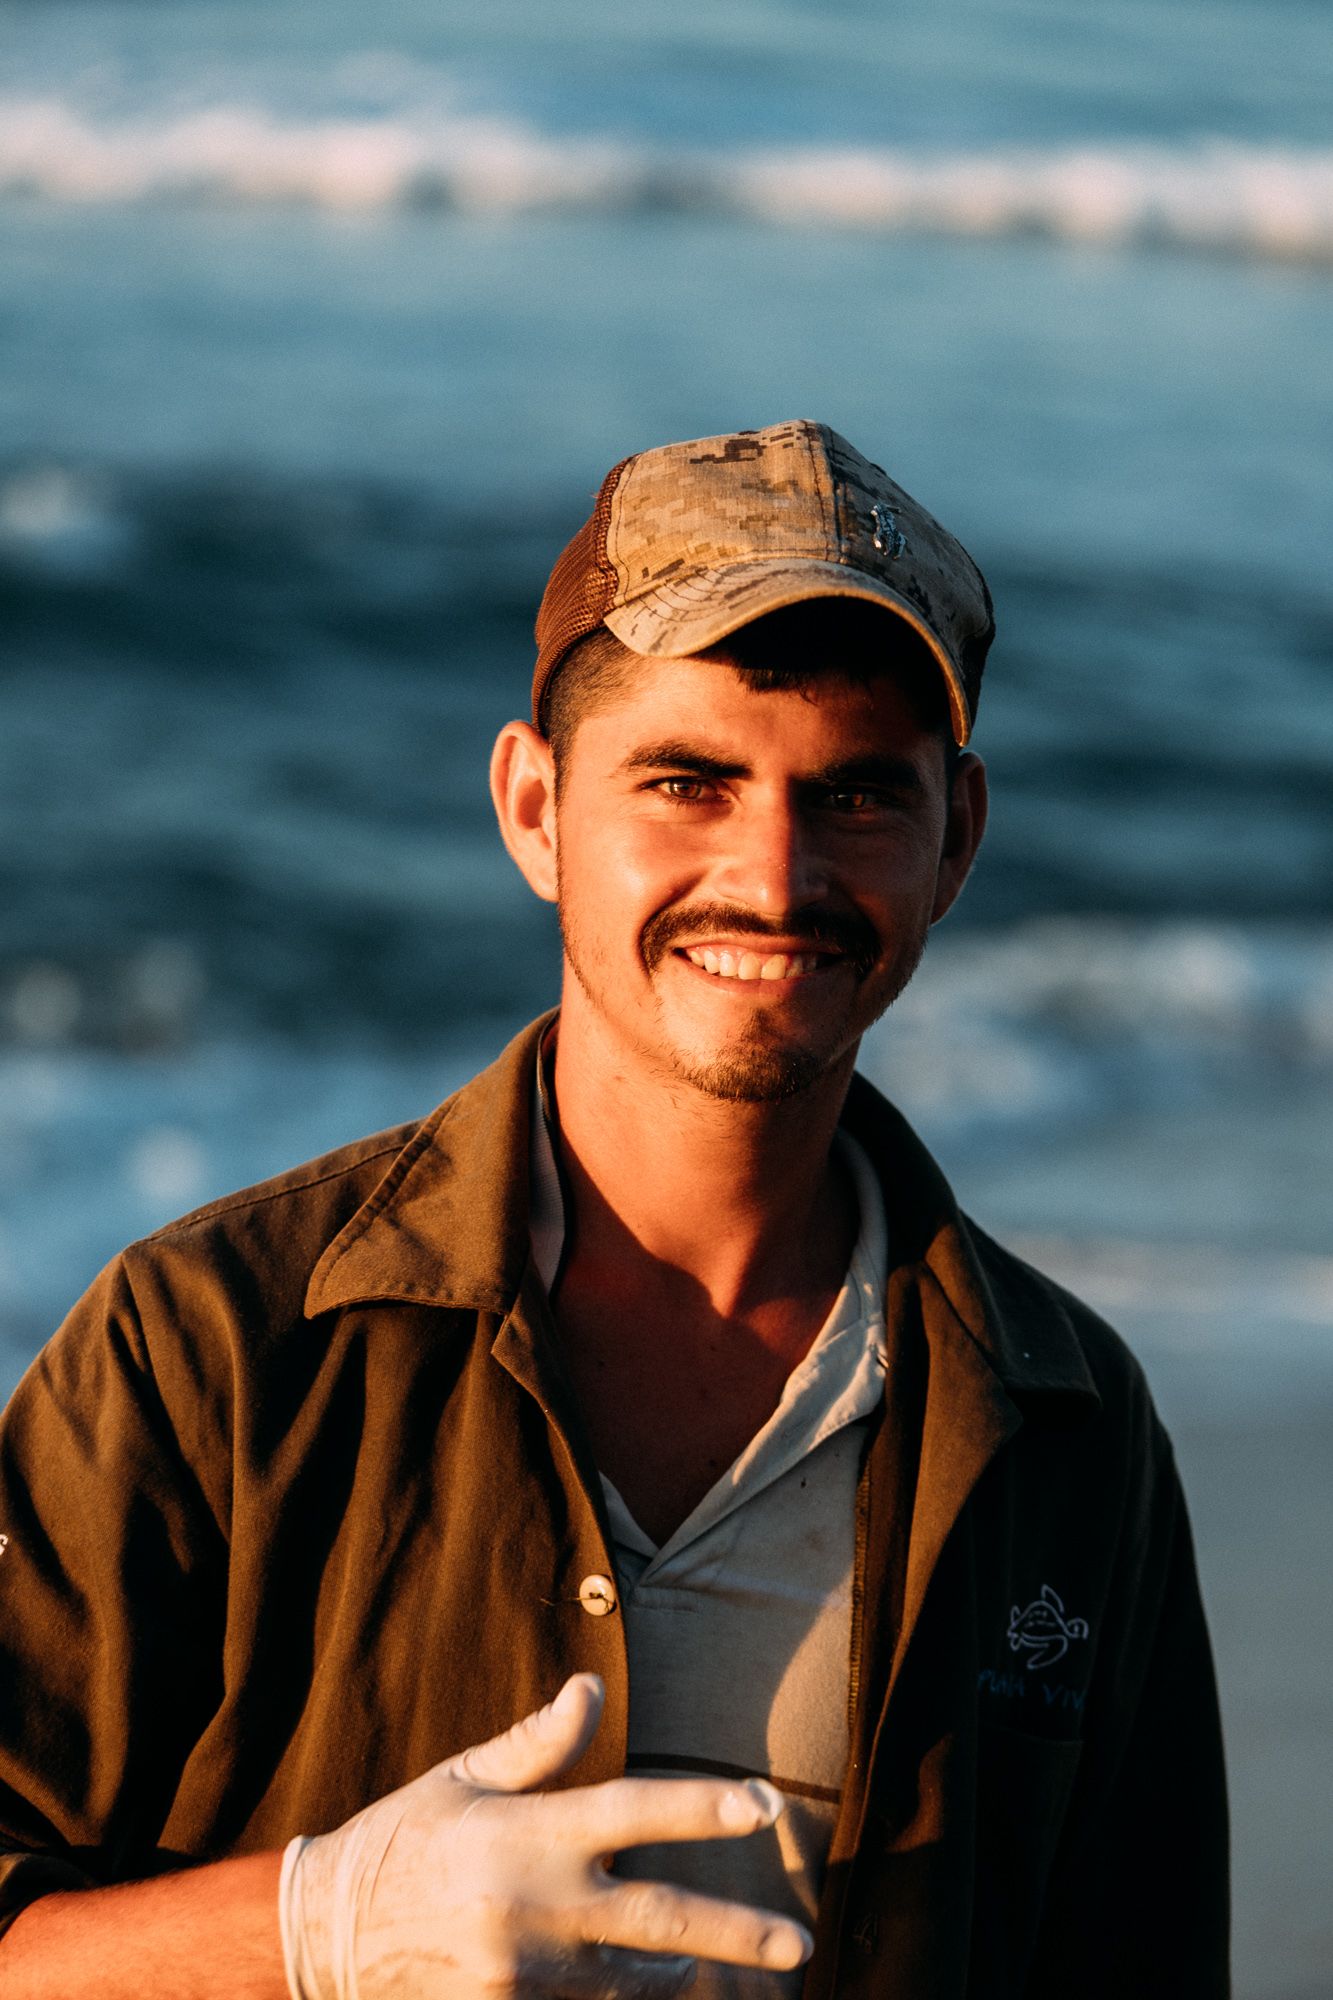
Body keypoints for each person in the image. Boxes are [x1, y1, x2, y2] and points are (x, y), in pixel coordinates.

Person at [0, 420, 1228, 1999]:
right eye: (685, 783)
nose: (773, 877)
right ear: (534, 810)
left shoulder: (1062, 1428)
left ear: (957, 841)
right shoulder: (216, 1346)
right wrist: (317, 1926)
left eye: (857, 796)